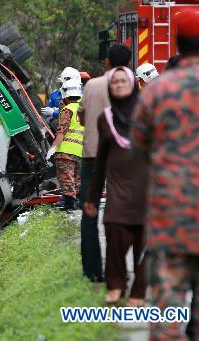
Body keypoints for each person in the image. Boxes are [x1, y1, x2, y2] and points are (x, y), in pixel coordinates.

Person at [131, 10, 199, 340]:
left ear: (178, 45)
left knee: (167, 318)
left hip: (171, 223)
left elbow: (138, 152)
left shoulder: (157, 92)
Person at [84, 66, 147, 306]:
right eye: (115, 82)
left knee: (144, 242)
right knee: (115, 237)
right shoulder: (105, 119)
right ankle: (116, 285)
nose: (119, 85)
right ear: (110, 87)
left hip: (146, 190)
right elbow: (100, 161)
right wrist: (91, 197)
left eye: (124, 81)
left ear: (133, 85)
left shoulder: (147, 115)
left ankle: (139, 292)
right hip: (118, 191)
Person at [77, 43, 131, 283]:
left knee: (89, 213)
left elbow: (81, 115)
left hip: (92, 155)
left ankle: (92, 270)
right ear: (128, 63)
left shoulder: (92, 85)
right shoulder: (131, 87)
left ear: (107, 61)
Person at [46, 78, 83, 211]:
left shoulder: (67, 110)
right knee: (77, 179)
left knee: (66, 178)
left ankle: (69, 204)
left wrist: (53, 147)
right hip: (80, 151)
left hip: (65, 151)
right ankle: (76, 203)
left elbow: (62, 131)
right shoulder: (84, 108)